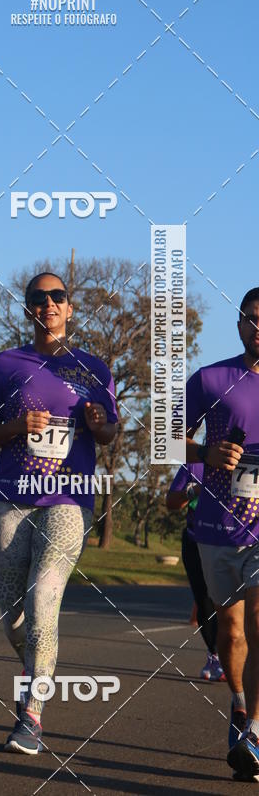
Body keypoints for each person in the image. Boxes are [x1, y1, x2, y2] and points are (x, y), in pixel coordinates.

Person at [0, 271, 118, 754]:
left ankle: (32, 714)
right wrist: (18, 424)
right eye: (39, 298)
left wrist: (98, 423)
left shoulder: (93, 369)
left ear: (70, 307)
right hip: (10, 498)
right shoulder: (5, 364)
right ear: (29, 309)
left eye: (57, 296)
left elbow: (109, 434)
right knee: (14, 620)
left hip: (68, 498)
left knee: (43, 606)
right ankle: (36, 665)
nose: (49, 303)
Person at [185, 287, 259, 780]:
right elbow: (165, 441)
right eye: (253, 318)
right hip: (216, 527)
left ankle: (254, 731)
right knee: (232, 633)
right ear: (239, 324)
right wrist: (205, 455)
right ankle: (238, 706)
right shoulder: (211, 380)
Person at [166, 462, 225, 681]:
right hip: (196, 541)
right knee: (205, 601)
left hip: (235, 544)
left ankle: (237, 652)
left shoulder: (248, 459)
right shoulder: (194, 464)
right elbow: (171, 502)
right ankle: (215, 655)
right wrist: (194, 491)